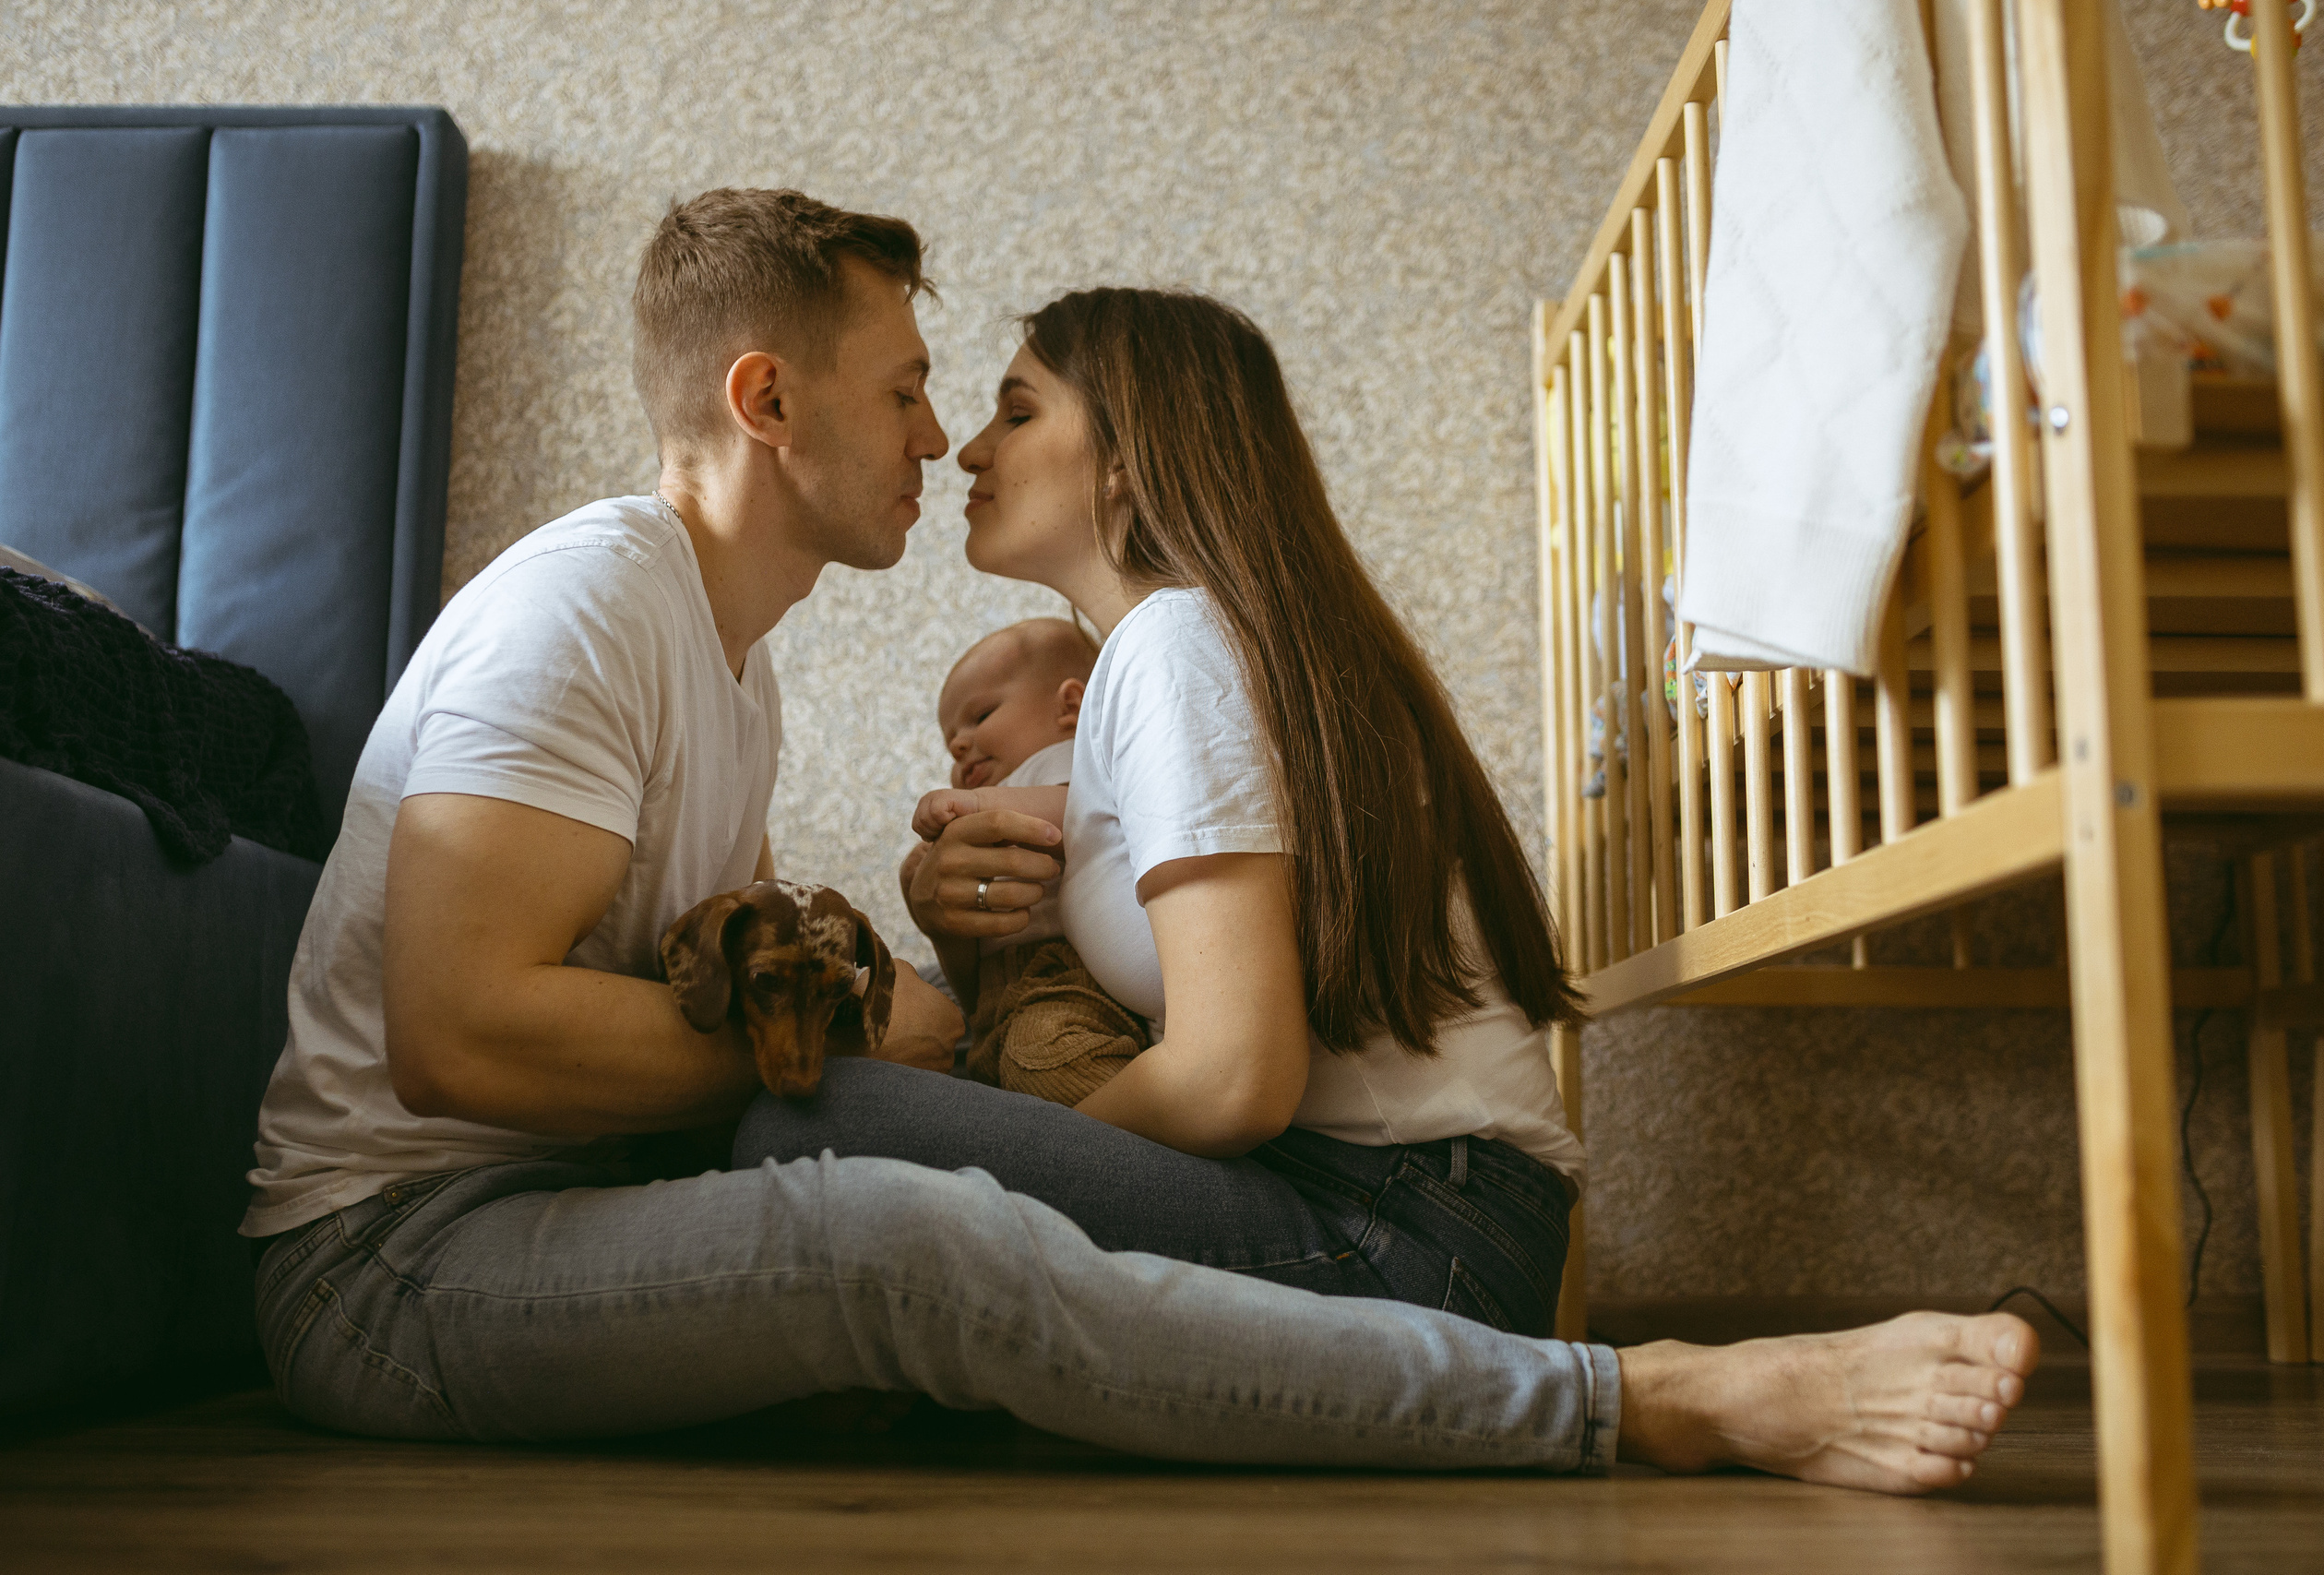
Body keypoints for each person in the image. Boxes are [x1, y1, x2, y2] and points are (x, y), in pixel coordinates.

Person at [238, 185, 2035, 1493]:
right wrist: (920, 1005)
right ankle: (1623, 1395)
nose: (943, 439)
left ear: (1125, 456)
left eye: (993, 402)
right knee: (863, 1166)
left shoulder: (986, 661)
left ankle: (1611, 1394)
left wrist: (928, 1022)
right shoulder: (595, 608)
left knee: (860, 1150)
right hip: (401, 1254)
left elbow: (1193, 1055)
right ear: (766, 402)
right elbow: (471, 1029)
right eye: (912, 389)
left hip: (1390, 1211)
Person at [740, 287, 1591, 1339]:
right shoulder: (1194, 650)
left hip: (1406, 1231)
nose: (966, 450)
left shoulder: (1174, 645)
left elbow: (1231, 1080)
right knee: (875, 1048)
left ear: (1126, 460)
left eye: (1015, 413)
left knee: (810, 1115)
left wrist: (1017, 1168)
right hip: (1408, 1204)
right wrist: (954, 920)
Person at [913, 619, 1150, 1103]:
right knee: (1000, 1070)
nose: (959, 744)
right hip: (1001, 998)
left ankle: (1152, 1131)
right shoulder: (998, 792)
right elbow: (970, 974)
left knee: (1046, 1057)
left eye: (979, 716)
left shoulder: (1068, 761)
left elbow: (1085, 817)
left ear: (1070, 706)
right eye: (950, 740)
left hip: (1069, 976)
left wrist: (983, 808)